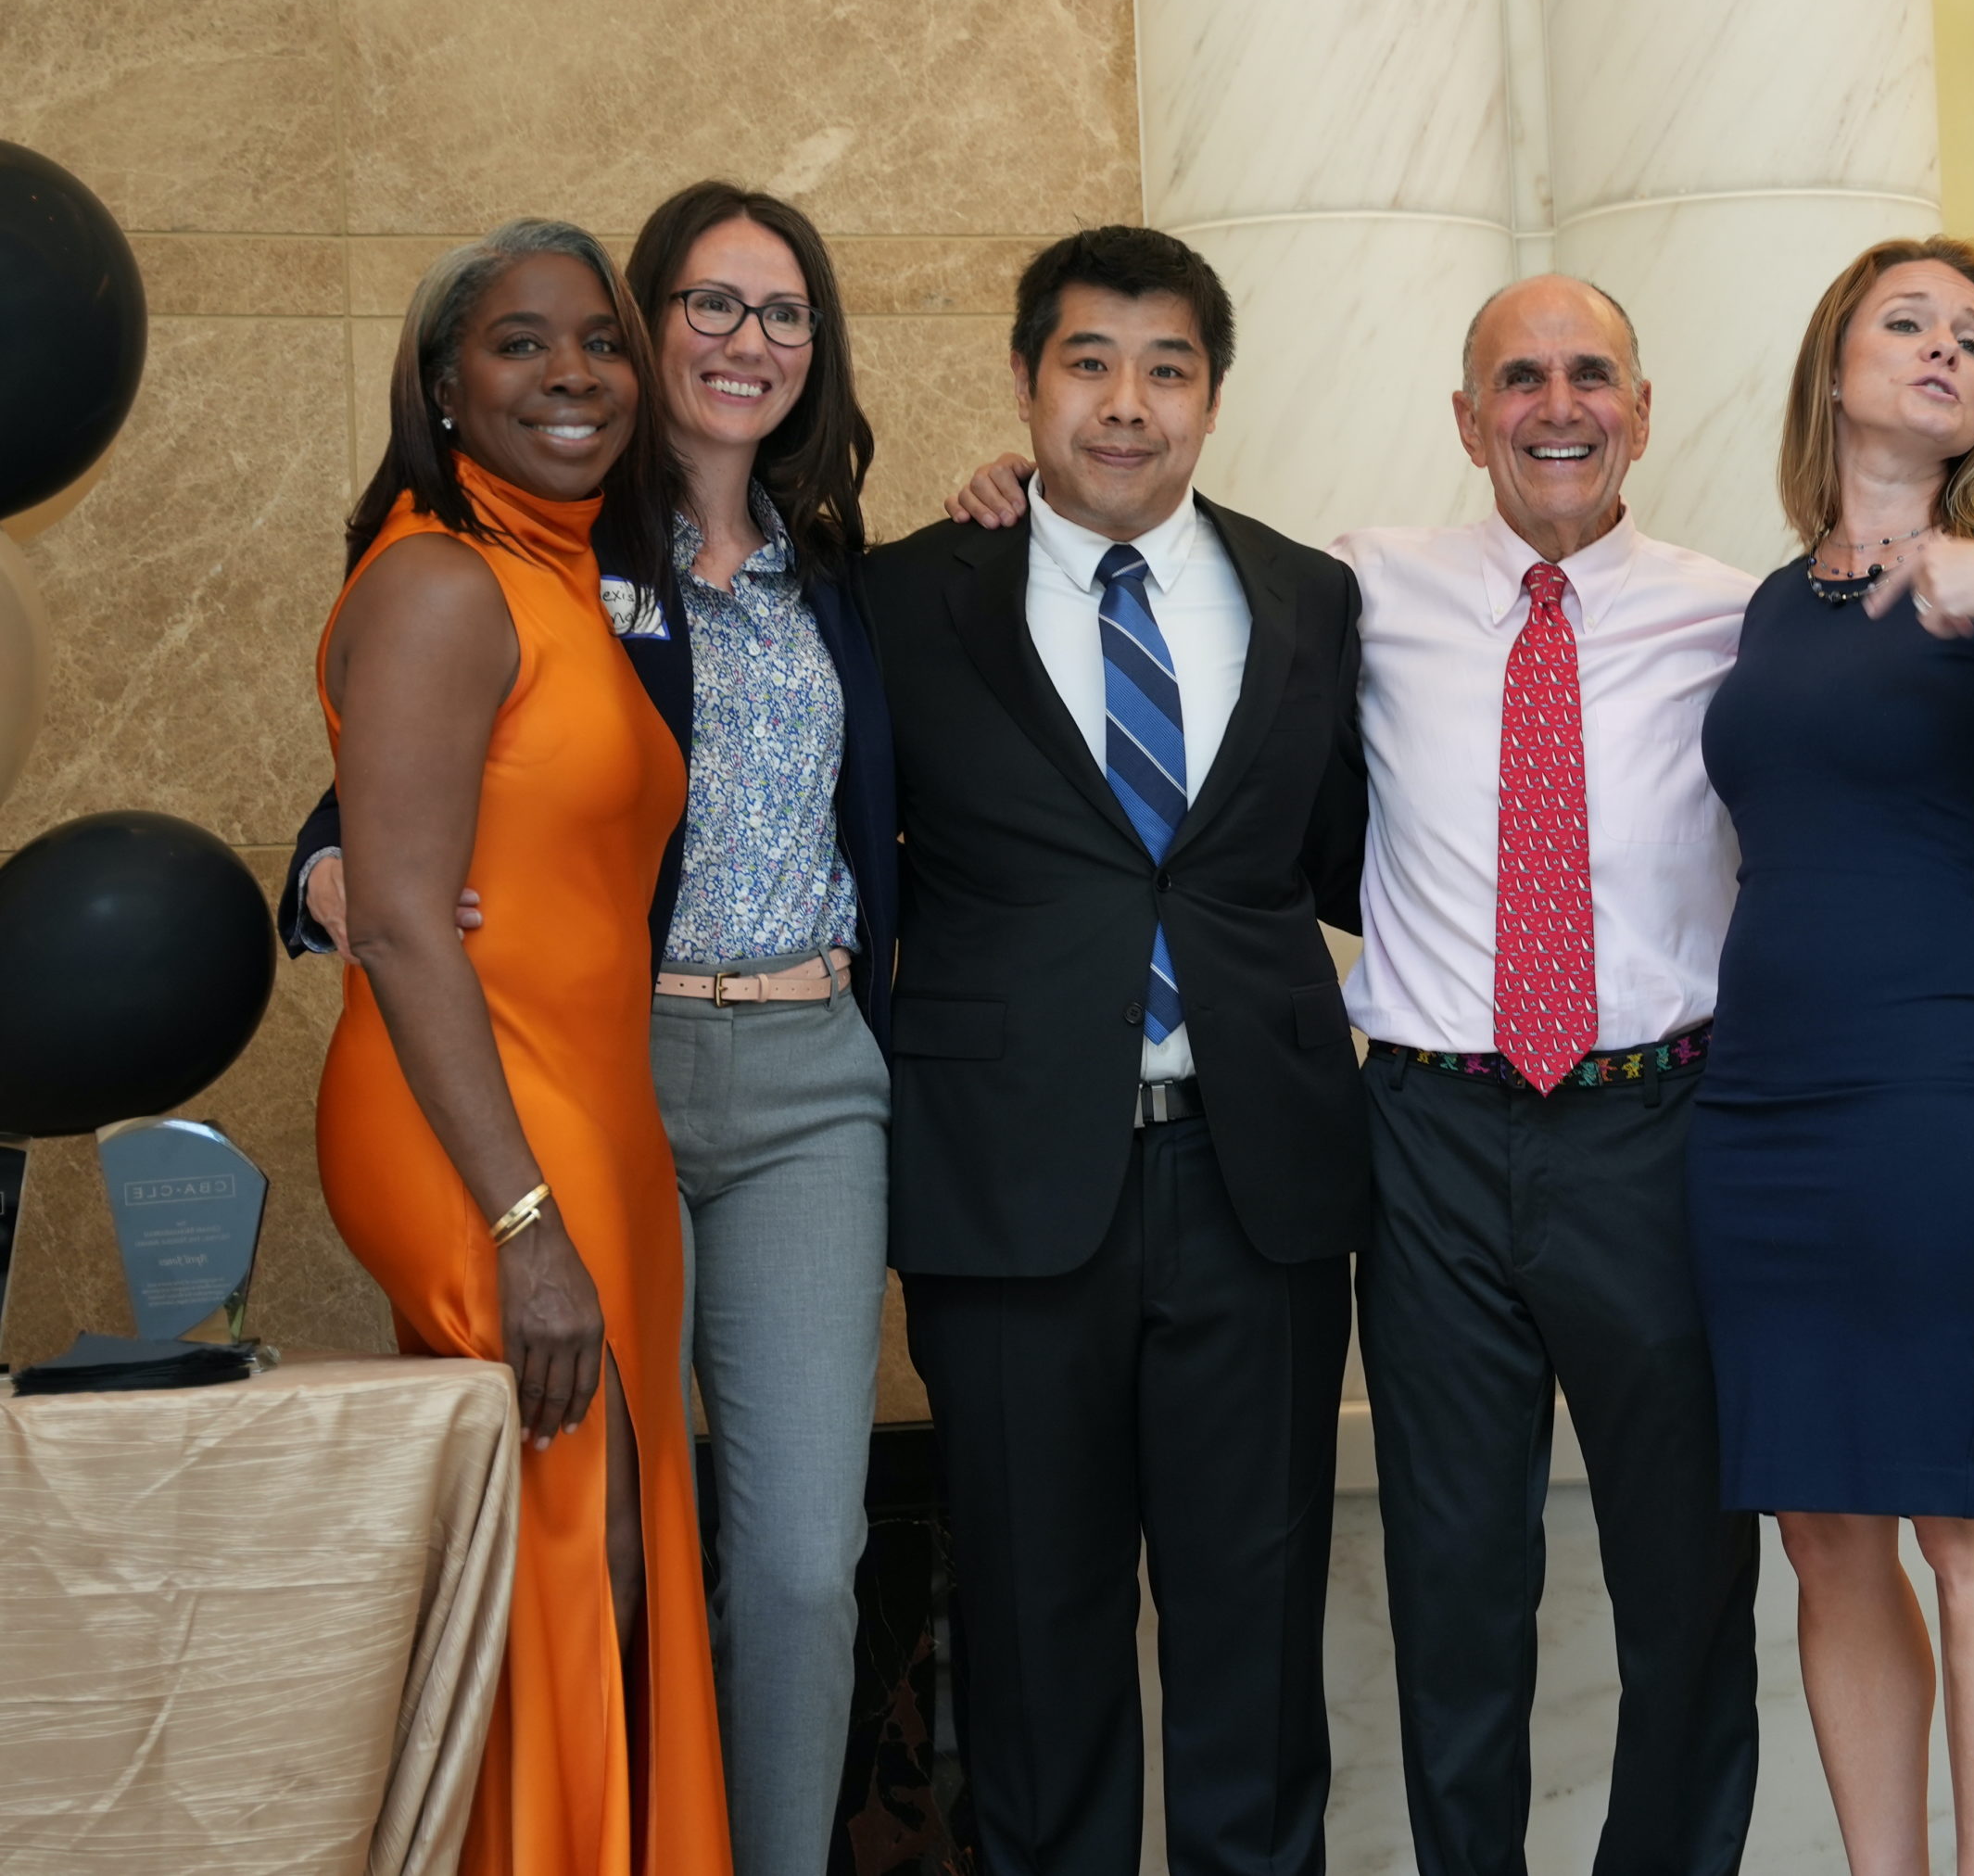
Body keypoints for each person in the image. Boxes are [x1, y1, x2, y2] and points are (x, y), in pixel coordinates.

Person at [949, 271, 1765, 1876]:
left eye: (1591, 372)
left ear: (1644, 411)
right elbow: (1140, 561)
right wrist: (1008, 497)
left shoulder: (1740, 618)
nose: (1557, 405)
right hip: (1427, 1135)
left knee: (1689, 1583)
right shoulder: (1346, 592)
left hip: (1656, 1129)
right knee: (1459, 1584)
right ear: (1466, 421)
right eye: (1517, 378)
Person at [282, 181, 896, 1876]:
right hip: (576, 1079)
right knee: (580, 1528)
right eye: (704, 304)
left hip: (795, 1082)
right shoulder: (543, 533)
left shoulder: (839, 574)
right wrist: (333, 875)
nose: (741, 342)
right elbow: (397, 800)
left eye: (783, 314)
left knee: (780, 1562)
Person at [870, 224, 1367, 1876]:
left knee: (1254, 1649)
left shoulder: (1311, 596)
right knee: (1032, 1648)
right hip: (1006, 1189)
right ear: (1026, 383)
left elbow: (1366, 859)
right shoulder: (902, 598)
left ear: (1214, 398)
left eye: (1168, 370)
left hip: (1261, 1182)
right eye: (1089, 364)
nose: (1127, 405)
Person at [1687, 236, 1974, 1875]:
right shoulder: (1767, 605)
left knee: (1968, 1516)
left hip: (1938, 1097)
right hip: (1759, 1116)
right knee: (1824, 1530)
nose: (1950, 350)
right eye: (1910, 323)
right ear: (1836, 364)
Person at [311, 218, 730, 1875]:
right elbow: (404, 921)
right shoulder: (433, 579)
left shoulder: (555, 571)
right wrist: (521, 1226)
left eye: (602, 342)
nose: (574, 374)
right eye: (519, 342)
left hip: (589, 1119)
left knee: (593, 1551)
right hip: (479, 1133)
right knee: (571, 1548)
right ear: (440, 383)